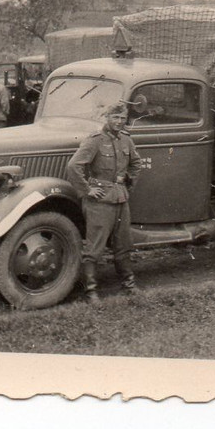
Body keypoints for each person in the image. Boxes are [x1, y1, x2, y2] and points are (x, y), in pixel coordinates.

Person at [66, 103, 144, 303]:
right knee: (94, 248)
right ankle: (90, 291)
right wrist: (87, 190)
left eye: (122, 118)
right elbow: (74, 166)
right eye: (115, 118)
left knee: (123, 244)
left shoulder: (126, 140)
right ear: (106, 118)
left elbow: (136, 163)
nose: (119, 122)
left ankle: (128, 285)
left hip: (120, 198)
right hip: (100, 201)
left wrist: (128, 184)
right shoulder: (95, 141)